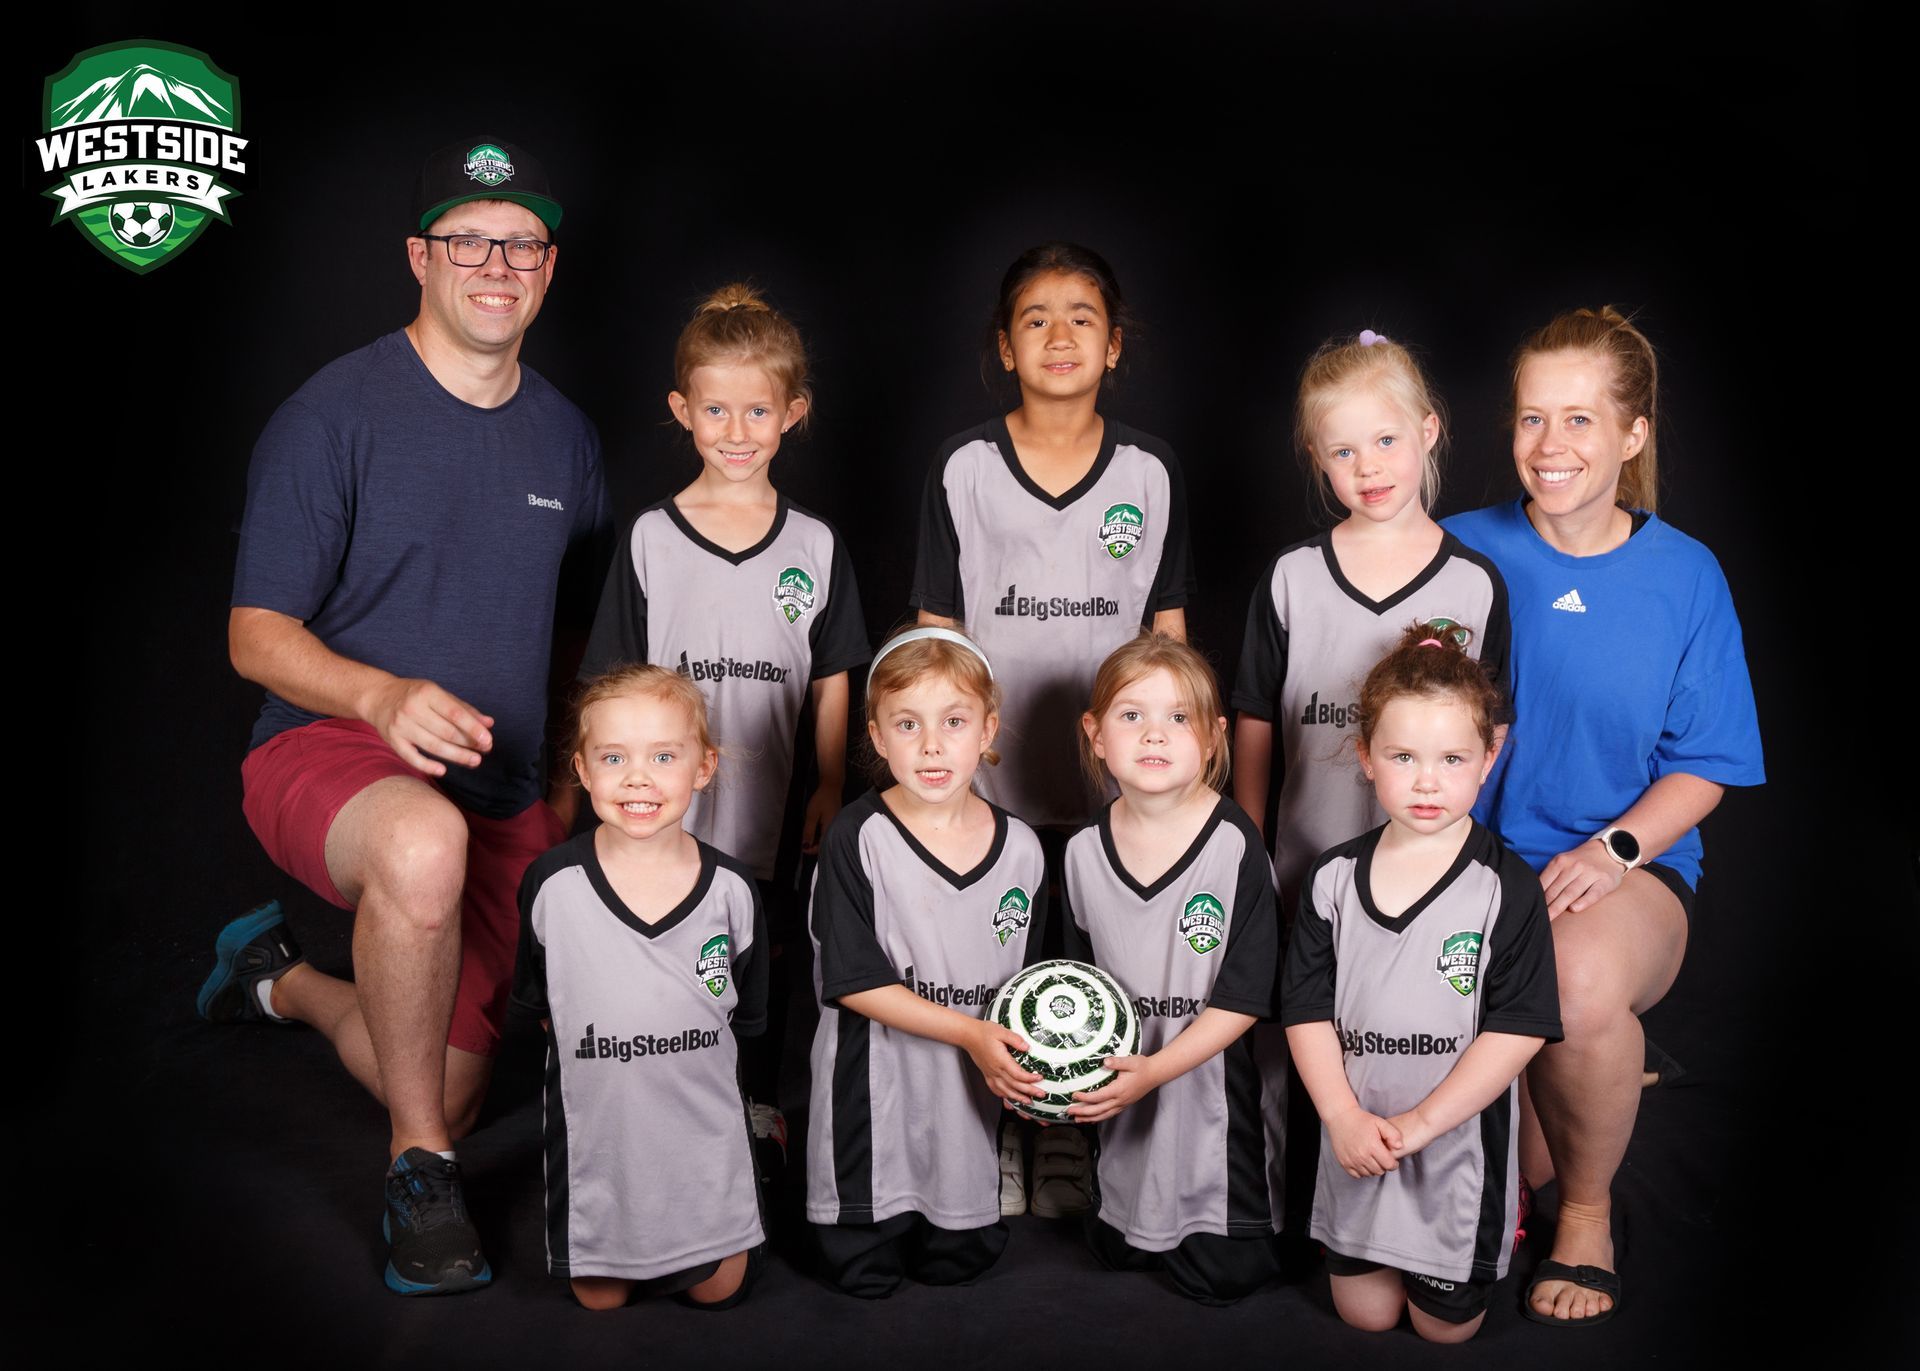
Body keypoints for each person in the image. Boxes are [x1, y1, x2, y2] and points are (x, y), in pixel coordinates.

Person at [199, 138, 610, 1295]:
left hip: (501, 786)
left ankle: (274, 980)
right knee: (423, 846)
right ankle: (420, 1177)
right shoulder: (332, 415)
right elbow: (254, 636)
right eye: (469, 241)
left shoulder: (568, 438)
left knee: (447, 1081)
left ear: (549, 267)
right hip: (327, 749)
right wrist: (380, 697)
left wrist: (563, 785)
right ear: (421, 258)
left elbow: (571, 637)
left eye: (520, 245)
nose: (497, 266)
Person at [1443, 307, 1764, 1325]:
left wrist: (1613, 848)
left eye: (1581, 420)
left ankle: (1585, 1217)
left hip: (1623, 868)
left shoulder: (1687, 575)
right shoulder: (1456, 552)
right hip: (1465, 863)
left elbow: (1707, 763)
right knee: (1501, 1139)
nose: (1552, 446)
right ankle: (1590, 1079)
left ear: (1633, 434)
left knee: (1572, 988)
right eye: (1533, 418)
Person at [911, 242, 1192, 1216]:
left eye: (1082, 317)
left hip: (1117, 788)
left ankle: (1072, 1136)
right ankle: (1001, 1129)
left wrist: (1176, 778)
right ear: (1004, 345)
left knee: (1093, 970)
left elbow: (1167, 637)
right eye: (1036, 318)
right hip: (989, 788)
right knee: (996, 971)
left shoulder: (1149, 471)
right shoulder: (964, 467)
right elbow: (936, 636)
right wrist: (941, 765)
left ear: (1114, 345)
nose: (1059, 334)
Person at [579, 283, 868, 1168]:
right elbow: (608, 683)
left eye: (758, 410)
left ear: (793, 413)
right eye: (715, 410)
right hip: (660, 804)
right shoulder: (651, 539)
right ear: (682, 410)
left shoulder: (814, 545)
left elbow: (832, 678)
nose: (736, 430)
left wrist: (829, 781)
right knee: (664, 939)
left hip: (770, 808)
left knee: (760, 952)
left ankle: (754, 1103)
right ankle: (663, 1095)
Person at [1283, 623, 1561, 1343]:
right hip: (1358, 1141)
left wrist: (1421, 1125)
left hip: (1451, 1146)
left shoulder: (1506, 887)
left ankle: (1506, 1207)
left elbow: (1519, 1028)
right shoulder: (1332, 877)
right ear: (1366, 756)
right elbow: (1305, 1011)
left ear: (1488, 758)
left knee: (1444, 1333)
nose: (1427, 780)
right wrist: (1342, 1117)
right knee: (1366, 1316)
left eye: (1452, 758)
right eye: (1403, 756)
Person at [804, 627, 1047, 1298]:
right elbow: (854, 981)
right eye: (908, 724)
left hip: (965, 1097)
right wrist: (969, 1031)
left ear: (988, 728)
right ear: (878, 737)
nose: (932, 745)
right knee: (864, 1272)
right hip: (872, 1092)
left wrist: (1034, 1074)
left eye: (954, 721)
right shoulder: (858, 836)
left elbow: (1025, 990)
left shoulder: (1023, 849)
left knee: (960, 1260)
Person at [513, 666, 766, 1311]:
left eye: (663, 756)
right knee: (600, 1301)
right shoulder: (551, 885)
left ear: (703, 767)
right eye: (613, 757)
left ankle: (752, 1162)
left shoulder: (733, 891)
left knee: (720, 1294)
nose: (638, 778)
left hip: (701, 1136)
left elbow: (745, 1018)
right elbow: (542, 1006)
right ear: (582, 769)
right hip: (604, 1142)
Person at [1233, 329, 1509, 908]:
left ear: (1427, 431)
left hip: (1434, 879)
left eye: (1386, 440)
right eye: (1344, 452)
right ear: (1318, 457)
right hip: (1305, 877)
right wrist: (1248, 842)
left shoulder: (1475, 584)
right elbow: (1255, 717)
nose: (1368, 468)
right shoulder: (1292, 577)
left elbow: (1494, 726)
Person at [1060, 631, 1283, 1304]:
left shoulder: (1236, 846)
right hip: (1124, 1092)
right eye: (1132, 715)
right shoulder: (1080, 852)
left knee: (1225, 1272)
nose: (1154, 734)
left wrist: (1156, 1070)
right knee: (1118, 1248)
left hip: (1216, 1093)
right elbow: (1077, 989)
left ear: (1214, 737)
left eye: (1178, 717)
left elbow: (1246, 998)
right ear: (1096, 735)